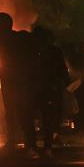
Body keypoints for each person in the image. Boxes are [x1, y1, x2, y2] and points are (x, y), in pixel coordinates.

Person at [0, 12, 36, 153]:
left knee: (13, 112)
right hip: (20, 80)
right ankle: (29, 142)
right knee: (22, 112)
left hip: (12, 81)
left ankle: (15, 142)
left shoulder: (3, 38)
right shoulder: (18, 37)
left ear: (4, 25)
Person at [31, 25, 69, 155]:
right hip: (44, 89)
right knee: (45, 117)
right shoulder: (36, 51)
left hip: (47, 89)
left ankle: (44, 145)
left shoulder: (50, 51)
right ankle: (44, 145)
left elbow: (62, 69)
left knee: (47, 117)